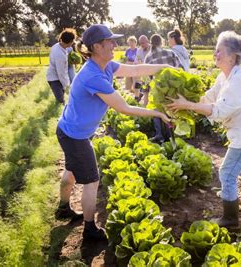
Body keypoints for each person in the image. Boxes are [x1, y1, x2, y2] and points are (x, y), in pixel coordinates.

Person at [55, 24, 170, 241]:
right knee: (91, 181)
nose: (115, 44)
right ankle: (90, 230)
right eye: (110, 41)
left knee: (71, 171)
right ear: (97, 47)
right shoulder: (92, 76)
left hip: (70, 130)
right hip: (75, 136)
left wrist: (166, 67)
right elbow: (124, 108)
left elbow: (135, 70)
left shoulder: (105, 66)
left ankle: (62, 208)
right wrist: (157, 113)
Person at [167, 31, 241, 227]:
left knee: (226, 173)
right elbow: (209, 98)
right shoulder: (224, 77)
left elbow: (218, 111)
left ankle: (230, 219)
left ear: (233, 57)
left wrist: (188, 106)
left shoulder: (239, 80)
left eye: (219, 51)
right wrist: (185, 100)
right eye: (215, 50)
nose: (214, 54)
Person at [145, 34, 182, 143]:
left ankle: (159, 136)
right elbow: (180, 70)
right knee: (171, 111)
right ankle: (172, 138)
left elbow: (147, 78)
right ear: (162, 42)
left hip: (157, 90)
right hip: (172, 88)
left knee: (157, 111)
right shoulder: (170, 53)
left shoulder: (149, 57)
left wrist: (146, 92)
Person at [47, 28, 77, 104]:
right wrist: (66, 86)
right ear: (69, 42)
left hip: (56, 77)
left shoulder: (57, 46)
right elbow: (61, 73)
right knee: (61, 101)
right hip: (55, 79)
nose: (73, 42)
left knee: (62, 99)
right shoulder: (60, 55)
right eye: (73, 41)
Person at [133, 35, 151, 104]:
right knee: (145, 89)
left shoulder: (152, 48)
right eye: (140, 43)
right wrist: (137, 63)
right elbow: (136, 61)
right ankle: (139, 95)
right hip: (144, 72)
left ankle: (141, 94)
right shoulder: (139, 50)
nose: (141, 45)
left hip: (152, 71)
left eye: (143, 43)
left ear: (147, 41)